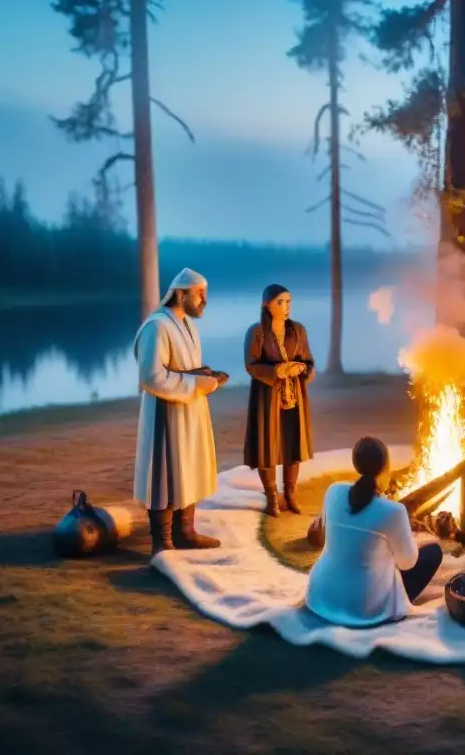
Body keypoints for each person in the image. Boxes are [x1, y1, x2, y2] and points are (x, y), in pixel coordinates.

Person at [133, 268, 225, 559]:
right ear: (181, 293)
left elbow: (182, 367)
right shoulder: (158, 327)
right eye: (200, 294)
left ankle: (185, 532)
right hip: (166, 413)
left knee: (190, 466)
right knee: (165, 472)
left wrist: (205, 375)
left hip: (190, 410)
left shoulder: (188, 326)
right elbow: (151, 377)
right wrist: (197, 382)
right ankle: (163, 541)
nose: (205, 301)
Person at [305, 436, 444, 627]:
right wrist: (417, 541)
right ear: (384, 468)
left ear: (356, 464)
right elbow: (407, 563)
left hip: (321, 593)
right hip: (364, 607)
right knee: (433, 552)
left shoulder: (333, 491)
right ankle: (386, 603)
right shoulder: (394, 511)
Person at [243, 284, 316, 516]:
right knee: (268, 445)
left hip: (294, 397)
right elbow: (251, 365)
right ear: (268, 305)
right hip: (268, 399)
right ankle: (272, 497)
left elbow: (309, 362)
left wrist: (301, 369)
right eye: (280, 302)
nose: (286, 307)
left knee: (292, 444)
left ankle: (290, 494)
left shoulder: (298, 330)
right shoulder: (257, 332)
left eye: (288, 302)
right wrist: (277, 372)